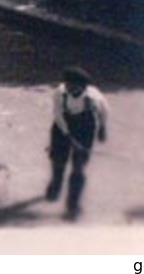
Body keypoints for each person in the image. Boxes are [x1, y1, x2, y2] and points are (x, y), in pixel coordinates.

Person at [47, 65, 110, 221]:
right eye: (67, 84)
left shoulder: (94, 97)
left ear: (83, 86)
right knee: (58, 160)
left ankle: (73, 204)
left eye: (74, 86)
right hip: (62, 126)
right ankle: (56, 183)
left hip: (85, 127)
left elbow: (105, 111)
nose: (69, 88)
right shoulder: (59, 93)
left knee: (79, 166)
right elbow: (58, 116)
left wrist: (102, 128)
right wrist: (68, 137)